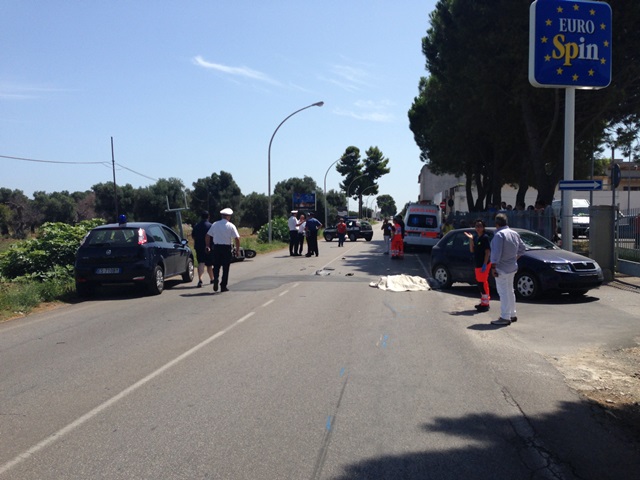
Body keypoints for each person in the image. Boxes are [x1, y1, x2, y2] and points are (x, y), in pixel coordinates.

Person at [489, 213, 525, 326]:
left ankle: (505, 316)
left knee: (503, 292)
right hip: (512, 267)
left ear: (496, 224)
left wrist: (493, 267)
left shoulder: (499, 235)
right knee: (510, 291)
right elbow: (522, 249)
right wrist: (514, 258)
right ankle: (512, 314)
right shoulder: (514, 233)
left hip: (502, 268)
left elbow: (496, 253)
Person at [205, 208, 240, 293]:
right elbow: (237, 238)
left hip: (216, 248)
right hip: (226, 248)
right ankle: (223, 286)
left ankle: (215, 279)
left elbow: (207, 235)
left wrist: (207, 246)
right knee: (226, 267)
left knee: (216, 265)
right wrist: (237, 250)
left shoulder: (215, 224)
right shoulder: (231, 225)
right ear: (228, 217)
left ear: (222, 216)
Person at [464, 219, 491, 312]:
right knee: (481, 283)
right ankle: (484, 302)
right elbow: (472, 250)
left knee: (482, 283)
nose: (478, 228)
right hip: (478, 264)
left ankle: (485, 304)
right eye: (476, 226)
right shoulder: (476, 237)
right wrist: (471, 239)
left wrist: (485, 264)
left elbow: (487, 251)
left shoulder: (485, 237)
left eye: (480, 226)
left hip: (483, 264)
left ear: (483, 227)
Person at [191, 210, 213, 288]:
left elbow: (193, 236)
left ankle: (200, 279)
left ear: (201, 217)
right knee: (209, 264)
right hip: (209, 247)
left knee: (201, 263)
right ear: (208, 216)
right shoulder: (211, 226)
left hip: (199, 247)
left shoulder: (196, 226)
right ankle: (212, 279)